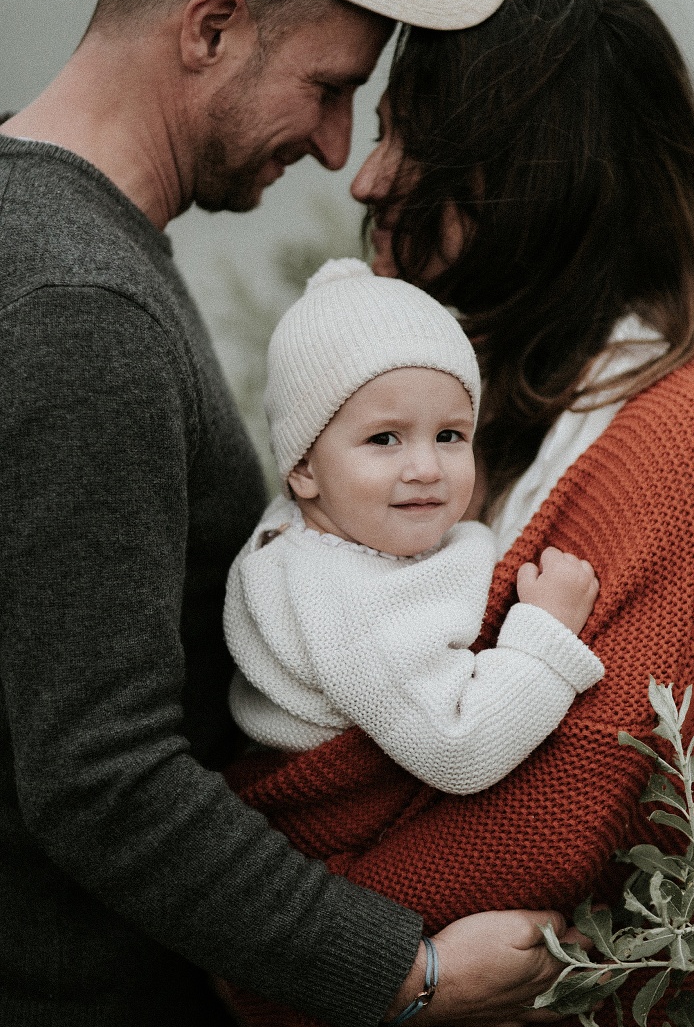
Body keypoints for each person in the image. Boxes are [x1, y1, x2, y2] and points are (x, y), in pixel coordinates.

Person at [0, 0, 584, 1022]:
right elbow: (100, 777)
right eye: (329, 89)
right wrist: (403, 975)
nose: (333, 149)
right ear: (211, 26)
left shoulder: (65, 245)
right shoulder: (80, 307)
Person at [223, 0, 694, 1026]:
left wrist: (257, 948)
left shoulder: (688, 442)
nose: (366, 179)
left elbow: (542, 833)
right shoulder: (480, 408)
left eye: (409, 141)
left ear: (533, 178)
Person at [225, 257, 602, 793]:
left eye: (450, 435)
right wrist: (546, 632)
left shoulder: (323, 522)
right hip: (355, 822)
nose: (426, 469)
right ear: (303, 467)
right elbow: (459, 748)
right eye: (384, 439)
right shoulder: (348, 607)